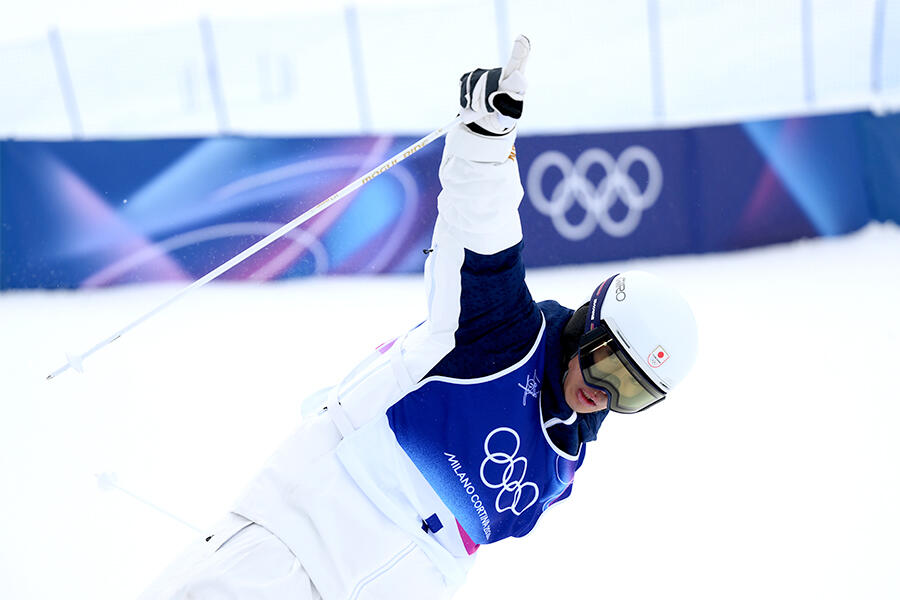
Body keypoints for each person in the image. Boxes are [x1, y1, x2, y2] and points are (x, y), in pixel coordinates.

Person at [139, 35, 698, 600]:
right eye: (608, 367)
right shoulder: (499, 332)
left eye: (632, 393)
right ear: (586, 326)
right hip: (298, 543)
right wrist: (486, 143)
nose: (605, 394)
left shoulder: (565, 458)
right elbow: (481, 231)